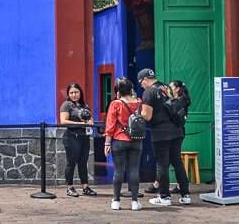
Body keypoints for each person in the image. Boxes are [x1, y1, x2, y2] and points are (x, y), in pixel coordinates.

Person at [138, 68, 191, 206]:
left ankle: (164, 197)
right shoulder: (166, 87)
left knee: (162, 164)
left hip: (161, 133)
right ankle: (185, 195)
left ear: (144, 79)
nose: (141, 85)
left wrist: (138, 113)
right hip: (176, 130)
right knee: (177, 162)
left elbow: (147, 116)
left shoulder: (148, 92)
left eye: (141, 82)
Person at [105, 77, 145, 210]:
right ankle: (134, 202)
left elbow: (110, 125)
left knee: (118, 171)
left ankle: (116, 201)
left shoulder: (115, 104)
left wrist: (107, 143)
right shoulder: (139, 102)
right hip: (136, 140)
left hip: (119, 139)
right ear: (131, 89)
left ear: (118, 91)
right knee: (134, 170)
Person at [59, 83, 97, 197]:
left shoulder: (84, 105)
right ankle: (69, 187)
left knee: (83, 162)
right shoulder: (66, 105)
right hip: (71, 137)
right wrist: (80, 123)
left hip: (84, 137)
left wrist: (90, 122)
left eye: (76, 92)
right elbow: (63, 121)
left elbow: (91, 119)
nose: (74, 95)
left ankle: (85, 187)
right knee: (71, 162)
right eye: (71, 93)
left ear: (80, 93)